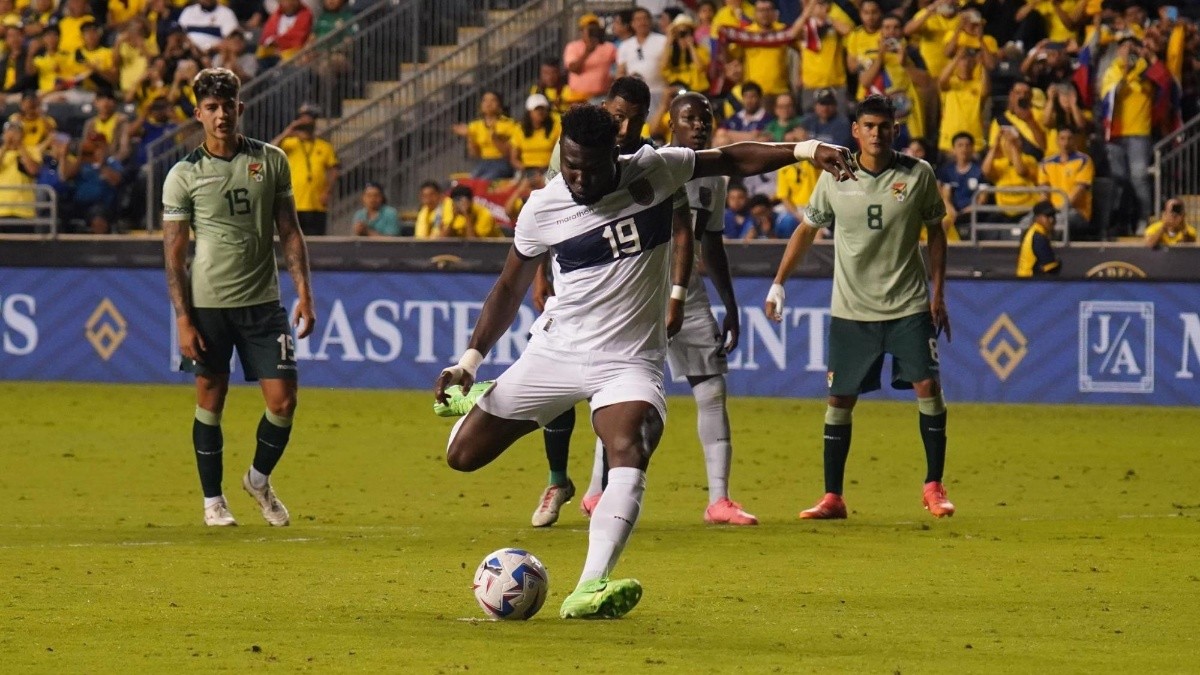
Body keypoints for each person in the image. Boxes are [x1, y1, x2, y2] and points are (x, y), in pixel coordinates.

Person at [434, 103, 854, 619]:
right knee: (462, 456)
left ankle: (589, 587)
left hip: (628, 362)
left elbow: (731, 159)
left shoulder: (655, 170)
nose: (578, 178)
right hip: (555, 353)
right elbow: (508, 287)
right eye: (569, 165)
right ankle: (486, 394)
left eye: (589, 168)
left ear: (614, 155)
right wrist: (469, 362)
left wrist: (807, 149)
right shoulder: (543, 207)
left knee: (629, 448)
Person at [764, 94, 955, 521]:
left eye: (884, 126)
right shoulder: (836, 174)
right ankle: (833, 497)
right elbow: (806, 230)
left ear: (895, 130)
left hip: (908, 305)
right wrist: (778, 283)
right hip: (852, 309)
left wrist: (938, 293)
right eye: (868, 126)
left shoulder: (918, 173)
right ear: (855, 131)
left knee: (928, 387)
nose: (876, 133)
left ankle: (933, 486)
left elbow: (936, 232)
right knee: (839, 398)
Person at [161, 68, 316, 527]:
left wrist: (304, 293)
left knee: (283, 401)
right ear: (198, 114)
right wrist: (182, 319)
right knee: (210, 397)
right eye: (211, 107)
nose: (221, 115)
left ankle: (257, 480)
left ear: (240, 108)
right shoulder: (183, 175)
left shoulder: (271, 160)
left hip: (264, 302)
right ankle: (213, 501)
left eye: (227, 105)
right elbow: (174, 255)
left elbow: (290, 231)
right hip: (208, 304)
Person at [272, 103, 340, 236]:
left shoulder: (324, 146)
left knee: (316, 242)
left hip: (317, 204)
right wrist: (287, 132)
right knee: (291, 239)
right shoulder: (289, 144)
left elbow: (334, 171)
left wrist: (327, 192)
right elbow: (270, 150)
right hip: (292, 203)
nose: (306, 122)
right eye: (303, 118)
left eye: (310, 118)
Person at [1016, 200, 1062, 276]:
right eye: (1047, 216)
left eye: (1053, 216)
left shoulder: (1031, 231)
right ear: (1037, 217)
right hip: (1031, 280)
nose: (1052, 220)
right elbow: (1051, 268)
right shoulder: (1038, 237)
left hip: (1023, 278)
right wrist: (1058, 262)